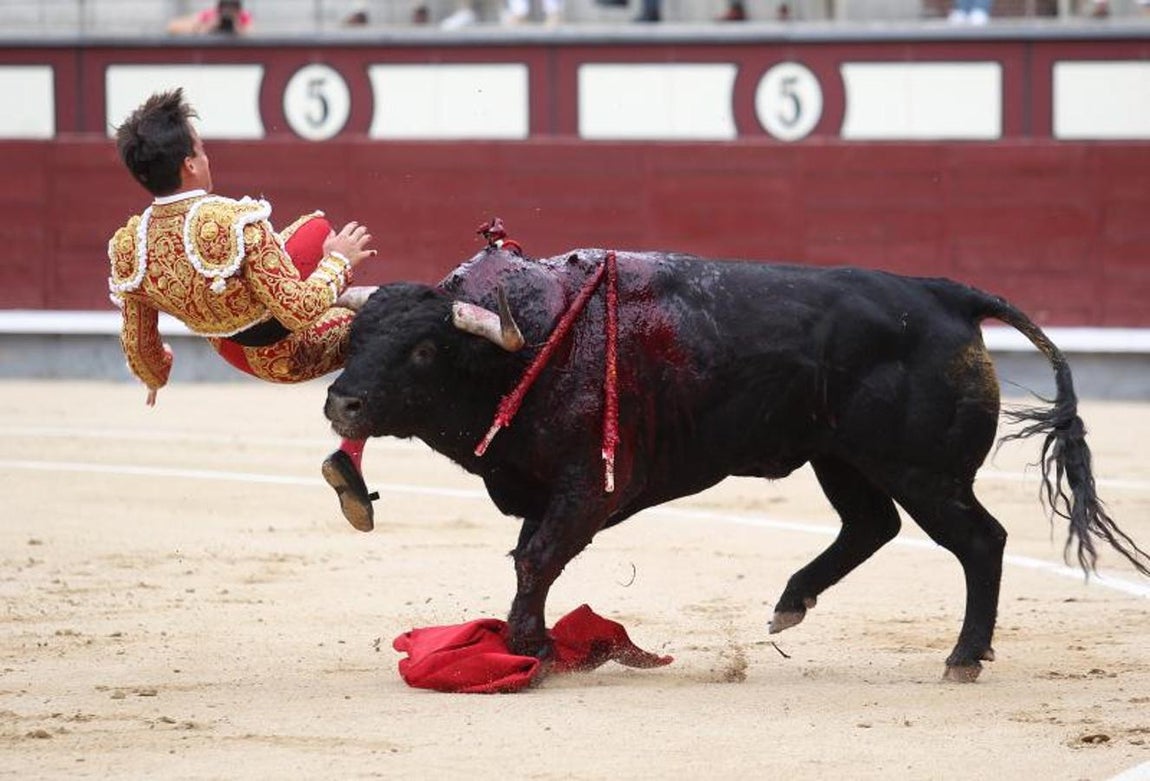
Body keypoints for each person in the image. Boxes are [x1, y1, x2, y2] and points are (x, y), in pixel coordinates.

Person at [108, 89, 379, 532]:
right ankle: (350, 453)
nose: (207, 157)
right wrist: (339, 263)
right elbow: (298, 311)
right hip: (289, 351)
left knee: (315, 228)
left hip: (232, 349)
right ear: (190, 165)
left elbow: (140, 346)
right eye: (202, 149)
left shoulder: (130, 246)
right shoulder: (235, 222)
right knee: (378, 329)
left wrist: (156, 374)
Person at [167, 0, 253, 35]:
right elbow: (172, 27)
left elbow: (251, 32)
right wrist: (205, 27)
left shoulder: (244, 17)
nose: (228, 13)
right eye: (225, 8)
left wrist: (238, 28)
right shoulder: (210, 15)